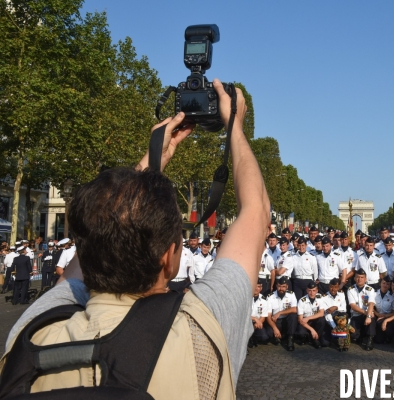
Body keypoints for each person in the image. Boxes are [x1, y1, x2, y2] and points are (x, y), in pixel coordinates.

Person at [1, 80, 271, 398]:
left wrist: (150, 162)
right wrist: (234, 126)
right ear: (170, 257)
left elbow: (96, 233)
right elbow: (256, 210)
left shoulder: (32, 331)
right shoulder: (199, 330)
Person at [266, 277, 298, 351]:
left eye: (283, 286)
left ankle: (290, 339)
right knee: (269, 333)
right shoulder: (270, 297)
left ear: (287, 286)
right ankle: (278, 336)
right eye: (279, 286)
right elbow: (268, 316)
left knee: (293, 316)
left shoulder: (291, 294)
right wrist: (275, 328)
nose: (281, 289)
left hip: (287, 321)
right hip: (276, 321)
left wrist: (280, 312)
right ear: (276, 286)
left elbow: (294, 309)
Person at [347, 269, 376, 350]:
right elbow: (353, 306)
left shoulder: (370, 290)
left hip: (366, 315)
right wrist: (366, 313)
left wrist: (369, 315)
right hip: (356, 315)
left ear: (365, 279)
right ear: (354, 278)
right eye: (358, 277)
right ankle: (362, 335)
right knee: (354, 335)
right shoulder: (350, 289)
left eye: (362, 277)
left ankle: (370, 340)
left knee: (371, 317)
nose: (359, 279)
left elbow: (371, 303)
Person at [296, 281, 327, 348]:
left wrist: (308, 318)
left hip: (314, 320)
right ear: (307, 290)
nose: (312, 293)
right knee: (301, 333)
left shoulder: (320, 297)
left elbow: (321, 313)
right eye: (310, 290)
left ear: (317, 290)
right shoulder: (302, 301)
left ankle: (315, 339)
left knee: (322, 320)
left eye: (314, 290)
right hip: (305, 323)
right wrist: (311, 329)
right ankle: (310, 336)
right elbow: (300, 319)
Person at [373, 275, 394, 344]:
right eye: (383, 283)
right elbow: (370, 306)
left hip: (387, 317)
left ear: (389, 286)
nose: (385, 285)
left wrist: (384, 316)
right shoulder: (374, 294)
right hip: (376, 315)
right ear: (380, 283)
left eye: (387, 284)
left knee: (379, 340)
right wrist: (377, 314)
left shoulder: (392, 297)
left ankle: (388, 336)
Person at [249, 279, 270, 347]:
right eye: (254, 286)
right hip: (246, 323)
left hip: (257, 323)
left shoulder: (264, 300)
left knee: (264, 337)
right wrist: (255, 319)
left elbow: (263, 317)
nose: (256, 288)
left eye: (258, 286)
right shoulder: (246, 298)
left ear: (261, 288)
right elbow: (243, 315)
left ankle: (253, 337)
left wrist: (257, 323)